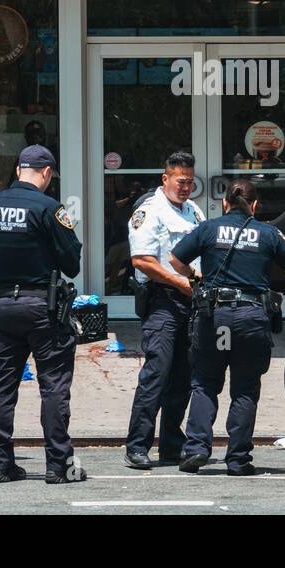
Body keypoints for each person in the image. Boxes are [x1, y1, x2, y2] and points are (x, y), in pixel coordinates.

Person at [169, 179, 285, 476]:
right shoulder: (268, 232)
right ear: (254, 206)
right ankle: (238, 459)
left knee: (204, 382)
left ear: (225, 204)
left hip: (214, 317)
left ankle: (196, 450)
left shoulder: (209, 228)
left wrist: (195, 276)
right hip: (250, 316)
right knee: (244, 389)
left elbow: (175, 259)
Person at [0, 144, 85, 484]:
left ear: (18, 170)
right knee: (53, 386)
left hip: (4, 306)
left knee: (3, 384)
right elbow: (72, 263)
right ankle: (58, 465)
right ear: (47, 173)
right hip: (43, 307)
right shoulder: (49, 208)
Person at [123, 151, 203, 470]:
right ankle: (137, 444)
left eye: (190, 182)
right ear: (165, 178)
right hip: (162, 300)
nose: (185, 188)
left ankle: (171, 443)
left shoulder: (194, 211)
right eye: (180, 181)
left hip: (190, 300)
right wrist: (182, 283)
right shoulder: (149, 210)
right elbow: (142, 260)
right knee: (157, 372)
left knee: (183, 376)